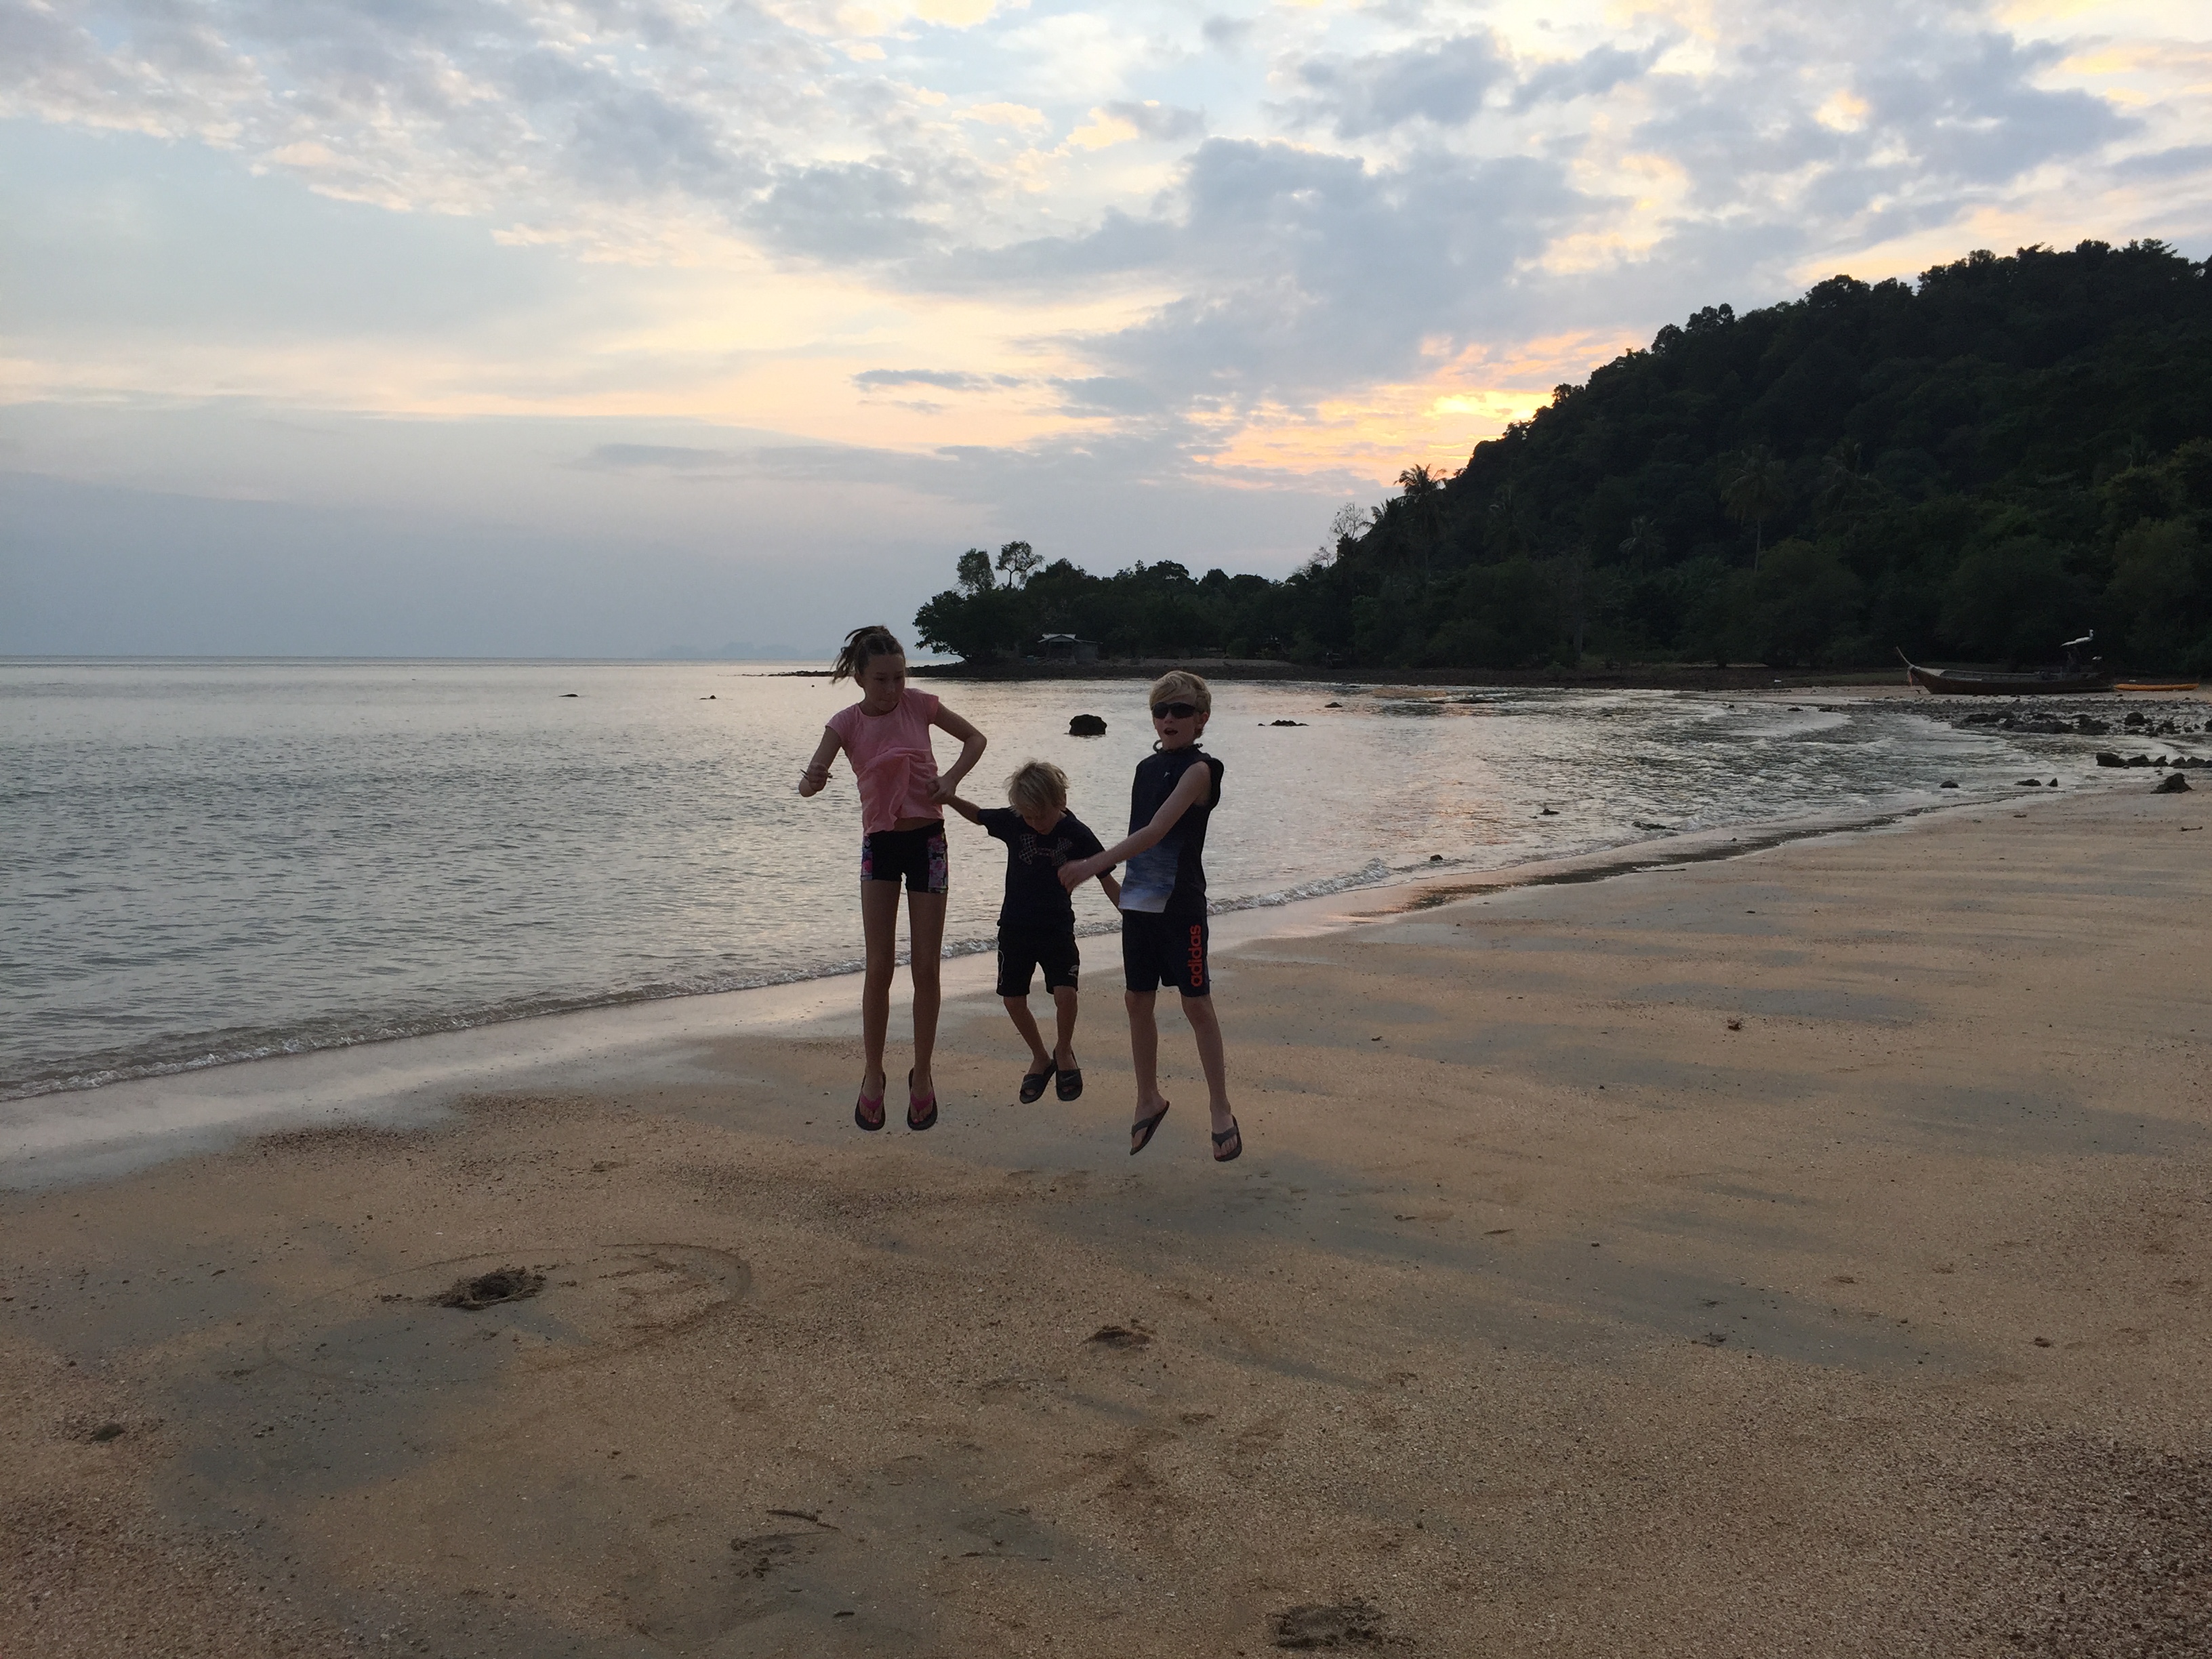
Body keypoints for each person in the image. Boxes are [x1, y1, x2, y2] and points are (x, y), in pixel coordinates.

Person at [797, 625, 985, 1132]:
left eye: (899, 677)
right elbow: (808, 785)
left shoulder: (921, 705)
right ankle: (873, 1074)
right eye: (881, 679)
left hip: (929, 844)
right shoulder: (845, 723)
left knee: (926, 967)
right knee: (878, 966)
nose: (892, 688)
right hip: (879, 846)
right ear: (859, 678)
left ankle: (922, 1074)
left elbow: (975, 739)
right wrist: (813, 781)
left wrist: (951, 780)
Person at [1059, 671, 1240, 1162]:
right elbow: (1141, 839)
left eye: (1181, 710)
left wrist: (1093, 865)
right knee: (1137, 1000)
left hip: (1182, 906)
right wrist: (1116, 888)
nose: (1169, 718)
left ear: (1202, 719)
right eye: (1161, 710)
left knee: (1196, 1004)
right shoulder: (1145, 768)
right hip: (1141, 906)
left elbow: (1158, 831)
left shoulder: (1201, 770)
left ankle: (1220, 1107)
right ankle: (1147, 1097)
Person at [947, 760, 1121, 1105]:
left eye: (1041, 817)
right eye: (1028, 817)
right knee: (1013, 999)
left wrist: (1132, 918)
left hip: (1057, 927)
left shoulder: (1078, 833)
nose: (1035, 823)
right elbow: (979, 815)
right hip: (1014, 927)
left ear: (1060, 801)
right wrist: (948, 798)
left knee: (1066, 995)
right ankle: (1041, 1057)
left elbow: (1107, 879)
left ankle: (1064, 1050)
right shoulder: (1016, 821)